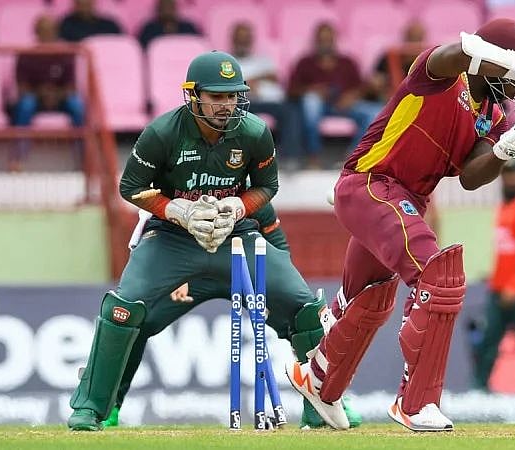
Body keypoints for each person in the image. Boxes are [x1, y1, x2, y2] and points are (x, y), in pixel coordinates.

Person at [285, 18, 515, 431]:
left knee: (371, 298)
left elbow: (471, 177)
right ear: (496, 60)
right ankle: (416, 403)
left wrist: (507, 148)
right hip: (371, 183)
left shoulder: (494, 115)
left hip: (407, 202)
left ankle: (319, 379)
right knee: (439, 275)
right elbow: (453, 53)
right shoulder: (441, 73)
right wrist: (507, 63)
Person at [66, 50, 360, 431]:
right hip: (173, 239)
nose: (226, 105)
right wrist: (178, 211)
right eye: (216, 96)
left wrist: (238, 207)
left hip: (235, 238)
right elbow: (131, 187)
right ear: (193, 95)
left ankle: (326, 404)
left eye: (232, 95)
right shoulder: (162, 133)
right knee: (125, 309)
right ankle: (93, 407)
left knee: (305, 308)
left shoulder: (254, 133)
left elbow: (267, 187)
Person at [473, 161, 515, 391]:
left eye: (514, 176)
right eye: (506, 175)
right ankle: (479, 388)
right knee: (489, 339)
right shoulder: (503, 206)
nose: (510, 180)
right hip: (498, 287)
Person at [287, 22, 383, 169]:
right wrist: (312, 90)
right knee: (311, 102)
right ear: (315, 41)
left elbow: (362, 87)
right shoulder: (305, 62)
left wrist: (352, 96)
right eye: (322, 39)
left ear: (335, 40)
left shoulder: (347, 62)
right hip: (319, 106)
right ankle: (313, 156)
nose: (325, 43)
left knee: (375, 112)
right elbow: (291, 90)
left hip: (345, 105)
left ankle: (352, 157)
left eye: (328, 39)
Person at [231, 22, 304, 170]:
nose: (243, 41)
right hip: (242, 101)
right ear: (233, 39)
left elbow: (274, 78)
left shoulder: (262, 59)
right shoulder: (228, 62)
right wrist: (246, 84)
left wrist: (255, 79)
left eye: (246, 38)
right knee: (232, 110)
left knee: (291, 110)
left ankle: (290, 158)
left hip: (270, 101)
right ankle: (238, 160)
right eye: (240, 38)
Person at [13, 15, 85, 128]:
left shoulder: (66, 55)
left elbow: (71, 86)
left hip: (60, 98)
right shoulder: (25, 56)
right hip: (35, 97)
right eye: (43, 31)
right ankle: (21, 139)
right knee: (26, 104)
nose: (47, 35)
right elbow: (22, 87)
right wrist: (41, 93)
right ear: (36, 33)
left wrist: (56, 95)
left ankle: (79, 139)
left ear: (57, 33)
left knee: (76, 104)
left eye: (51, 31)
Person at [367, 20, 427, 103]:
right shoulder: (389, 56)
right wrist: (378, 83)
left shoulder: (428, 60)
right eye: (411, 38)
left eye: (417, 39)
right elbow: (376, 79)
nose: (414, 43)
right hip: (387, 100)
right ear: (405, 38)